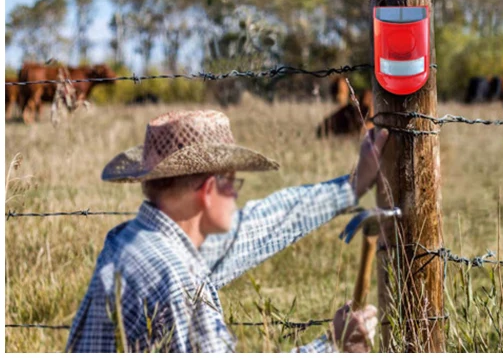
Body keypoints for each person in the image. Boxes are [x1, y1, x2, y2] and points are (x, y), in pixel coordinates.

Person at [66, 109, 389, 352]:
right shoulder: (179, 281)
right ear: (208, 191)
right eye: (234, 184)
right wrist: (332, 344)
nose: (237, 196)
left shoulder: (129, 241)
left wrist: (353, 185)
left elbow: (259, 226)